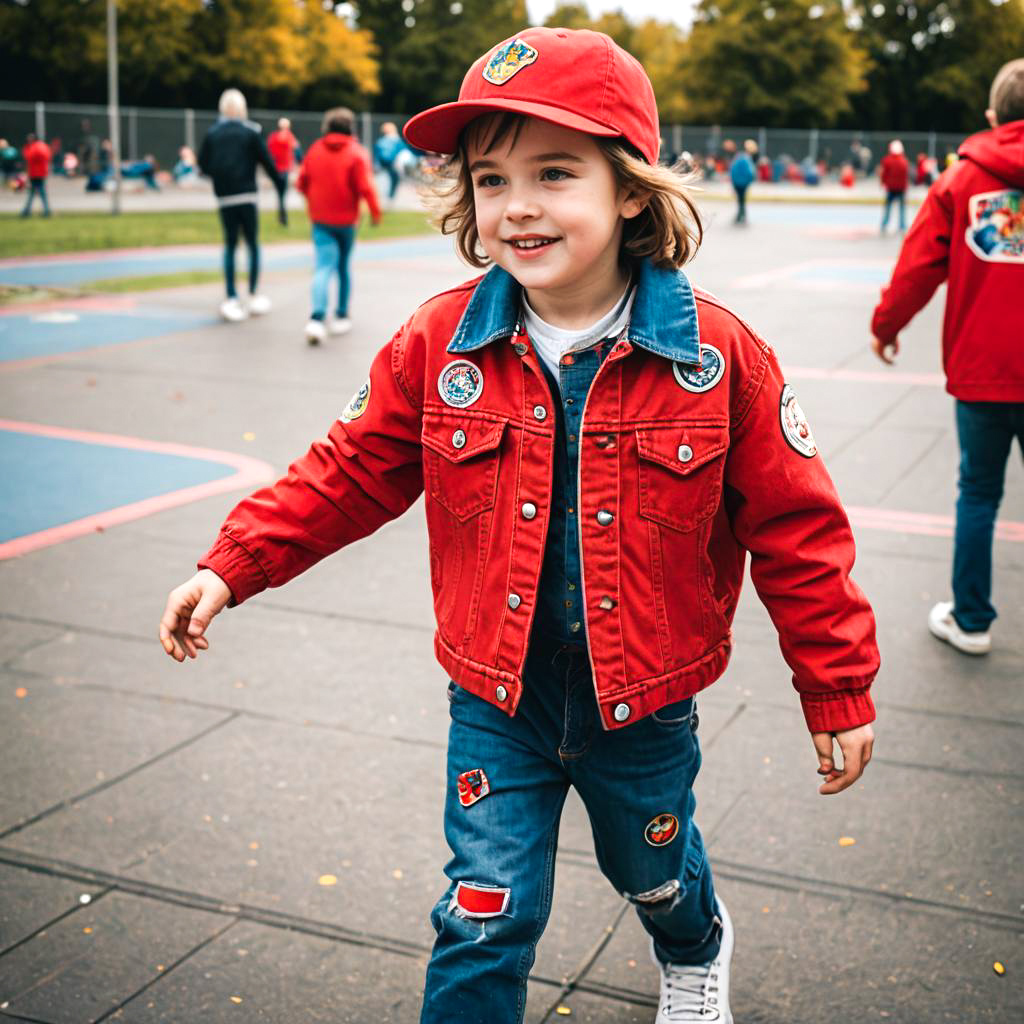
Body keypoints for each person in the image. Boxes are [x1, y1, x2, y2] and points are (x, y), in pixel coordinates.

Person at [160, 28, 879, 1024]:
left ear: (629, 188)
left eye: (553, 172)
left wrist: (835, 685)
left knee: (653, 870)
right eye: (490, 179)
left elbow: (799, 527)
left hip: (644, 704)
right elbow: (347, 470)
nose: (518, 207)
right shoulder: (440, 343)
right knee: (481, 916)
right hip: (496, 697)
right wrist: (232, 565)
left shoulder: (716, 356)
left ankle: (696, 942)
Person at [870, 58, 1024, 657]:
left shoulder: (963, 181)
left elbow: (917, 268)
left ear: (992, 116)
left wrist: (886, 326)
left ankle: (973, 619)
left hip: (983, 371)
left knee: (979, 494)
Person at [198, 88, 285, 322]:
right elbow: (267, 162)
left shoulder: (213, 133)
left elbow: (203, 164)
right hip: (247, 195)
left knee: (230, 244)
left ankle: (231, 296)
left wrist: (221, 176)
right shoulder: (250, 131)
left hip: (225, 196)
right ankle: (254, 293)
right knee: (252, 244)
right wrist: (280, 184)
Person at [296, 107, 381, 345]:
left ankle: (316, 317)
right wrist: (375, 213)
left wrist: (312, 198)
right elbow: (365, 187)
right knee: (343, 266)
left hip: (320, 220)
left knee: (323, 267)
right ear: (350, 127)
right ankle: (341, 314)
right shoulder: (356, 153)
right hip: (346, 221)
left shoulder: (314, 150)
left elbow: (301, 182)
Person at [267, 117, 301, 226]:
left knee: (280, 194)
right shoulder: (289, 137)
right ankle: (283, 218)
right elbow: (297, 152)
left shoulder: (273, 137)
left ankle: (281, 217)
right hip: (284, 169)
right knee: (282, 195)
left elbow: (268, 153)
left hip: (276, 169)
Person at [374, 120, 411, 201]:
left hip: (385, 167)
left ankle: (387, 200)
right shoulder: (396, 141)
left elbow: (377, 155)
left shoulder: (381, 141)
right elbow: (404, 153)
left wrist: (376, 166)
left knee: (385, 184)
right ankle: (389, 199)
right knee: (392, 184)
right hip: (393, 166)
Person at [879, 139, 909, 234]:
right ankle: (902, 225)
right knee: (902, 208)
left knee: (888, 208)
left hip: (891, 188)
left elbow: (884, 174)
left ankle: (884, 224)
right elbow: (905, 175)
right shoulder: (904, 161)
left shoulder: (887, 160)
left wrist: (882, 182)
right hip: (901, 188)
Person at [20, 133, 52, 217]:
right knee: (37, 192)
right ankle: (43, 211)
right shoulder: (44, 146)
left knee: (38, 192)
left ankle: (29, 211)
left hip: (35, 173)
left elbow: (28, 157)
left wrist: (26, 148)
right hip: (41, 172)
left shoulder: (34, 147)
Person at [729, 138, 756, 224]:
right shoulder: (746, 158)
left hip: (737, 181)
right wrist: (750, 179)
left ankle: (740, 214)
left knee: (740, 199)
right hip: (743, 182)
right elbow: (750, 172)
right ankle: (742, 214)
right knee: (742, 199)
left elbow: (733, 169)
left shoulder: (739, 157)